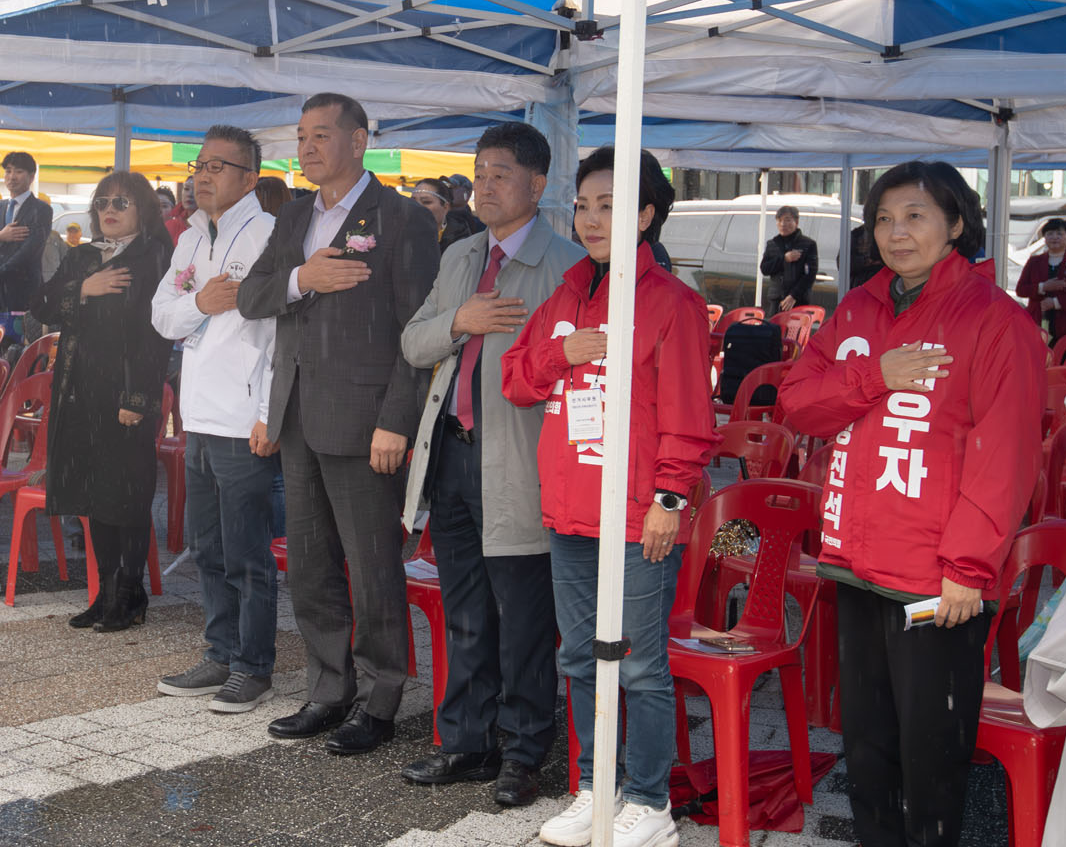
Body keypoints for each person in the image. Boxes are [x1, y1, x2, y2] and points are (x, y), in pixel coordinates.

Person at [779, 160, 1045, 847]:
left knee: (931, 755)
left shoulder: (995, 320)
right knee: (867, 749)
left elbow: (1006, 454)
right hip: (855, 562)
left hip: (935, 578)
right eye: (883, 219)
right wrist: (874, 375)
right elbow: (797, 404)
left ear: (956, 224)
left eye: (915, 216)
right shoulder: (858, 308)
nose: (896, 233)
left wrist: (968, 567)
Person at [503, 147, 718, 847]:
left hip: (635, 514)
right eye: (584, 206)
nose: (592, 220)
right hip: (570, 509)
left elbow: (690, 418)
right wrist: (559, 354)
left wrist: (669, 500)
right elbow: (515, 379)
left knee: (641, 664)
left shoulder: (672, 303)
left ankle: (650, 802)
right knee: (579, 656)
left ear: (646, 214)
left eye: (611, 206)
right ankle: (595, 788)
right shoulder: (566, 294)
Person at [238, 92, 439, 755]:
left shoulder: (402, 219)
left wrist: (397, 420)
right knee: (311, 564)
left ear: (359, 141)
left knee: (373, 565)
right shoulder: (295, 215)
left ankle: (380, 698)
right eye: (301, 136)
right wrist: (304, 277)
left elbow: (417, 331)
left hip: (365, 421)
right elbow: (253, 296)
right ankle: (328, 688)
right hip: (298, 414)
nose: (307, 147)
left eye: (322, 135)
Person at [399, 124, 584, 807]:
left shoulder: (567, 266)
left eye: (500, 174)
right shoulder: (460, 255)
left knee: (524, 617)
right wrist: (461, 320)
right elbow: (414, 342)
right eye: (478, 173)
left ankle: (524, 753)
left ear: (537, 184)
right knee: (466, 609)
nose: (483, 186)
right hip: (451, 454)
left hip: (520, 463)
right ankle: (466, 743)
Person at [151, 126, 279, 712]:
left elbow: (279, 336)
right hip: (197, 414)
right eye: (199, 165)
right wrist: (199, 303)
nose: (202, 176)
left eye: (217, 167)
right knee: (207, 547)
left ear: (249, 178)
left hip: (243, 418)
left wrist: (267, 414)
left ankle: (253, 666)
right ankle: (219, 653)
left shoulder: (269, 235)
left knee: (247, 553)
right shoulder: (190, 237)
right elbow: (161, 316)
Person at [30, 172, 171, 628]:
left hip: (125, 393)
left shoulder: (154, 256)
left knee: (126, 496)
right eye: (103, 202)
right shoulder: (83, 256)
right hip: (79, 391)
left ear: (143, 210)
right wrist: (82, 290)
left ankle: (129, 593)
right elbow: (41, 304)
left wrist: (138, 396)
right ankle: (106, 591)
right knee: (94, 495)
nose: (109, 210)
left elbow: (155, 335)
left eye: (121, 203)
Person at [0, 151, 53, 314]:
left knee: (21, 331)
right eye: (8, 171)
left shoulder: (41, 209)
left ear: (31, 177)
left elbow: (30, 251)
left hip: (23, 291)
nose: (12, 177)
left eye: (18, 171)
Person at [1016, 217, 1066, 343]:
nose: (1054, 237)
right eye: (1050, 234)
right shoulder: (1034, 262)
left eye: (1059, 234)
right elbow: (1021, 290)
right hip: (1037, 320)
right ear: (1044, 238)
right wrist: (1043, 287)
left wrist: (1055, 302)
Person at [760, 204, 819, 315]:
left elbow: (810, 275)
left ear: (796, 222)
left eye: (787, 220)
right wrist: (784, 259)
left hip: (798, 300)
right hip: (776, 299)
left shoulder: (808, 244)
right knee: (774, 325)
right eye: (780, 220)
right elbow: (764, 269)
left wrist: (793, 296)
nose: (783, 224)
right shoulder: (772, 244)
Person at [165, 177, 196, 244]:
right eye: (186, 189)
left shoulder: (213, 227)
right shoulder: (171, 225)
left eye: (196, 190)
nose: (189, 194)